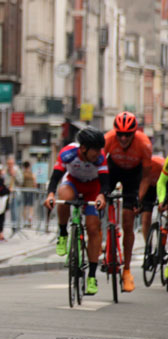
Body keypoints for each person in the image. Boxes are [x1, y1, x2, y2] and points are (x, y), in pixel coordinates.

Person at [44, 126, 108, 296]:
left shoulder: (100, 158)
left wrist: (102, 196)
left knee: (93, 228)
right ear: (84, 148)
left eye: (99, 149)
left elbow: (105, 182)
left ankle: (92, 277)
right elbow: (56, 177)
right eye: (95, 149)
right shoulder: (68, 153)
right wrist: (50, 194)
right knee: (63, 196)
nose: (98, 153)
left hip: (93, 187)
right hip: (73, 182)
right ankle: (63, 233)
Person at [103, 111, 152, 293]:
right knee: (102, 197)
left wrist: (138, 198)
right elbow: (100, 165)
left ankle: (127, 270)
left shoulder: (144, 144)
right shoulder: (108, 139)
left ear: (134, 133)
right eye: (120, 134)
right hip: (113, 169)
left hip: (134, 175)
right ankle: (106, 241)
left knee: (127, 220)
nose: (123, 138)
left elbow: (146, 177)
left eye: (128, 135)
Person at [139, 156, 165, 246]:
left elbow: (163, 182)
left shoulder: (159, 164)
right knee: (146, 218)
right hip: (149, 187)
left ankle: (163, 243)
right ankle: (148, 245)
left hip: (163, 184)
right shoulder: (139, 167)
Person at [5, 155, 23, 234]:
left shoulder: (17, 170)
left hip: (15, 193)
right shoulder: (5, 170)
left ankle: (16, 227)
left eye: (11, 163)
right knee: (10, 211)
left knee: (15, 210)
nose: (10, 165)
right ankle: (12, 226)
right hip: (7, 193)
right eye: (9, 163)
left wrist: (14, 175)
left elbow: (20, 181)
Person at [22, 161, 36, 228]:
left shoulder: (23, 174)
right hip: (31, 191)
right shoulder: (32, 174)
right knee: (31, 207)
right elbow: (35, 183)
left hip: (24, 191)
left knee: (25, 207)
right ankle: (30, 218)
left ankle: (25, 221)